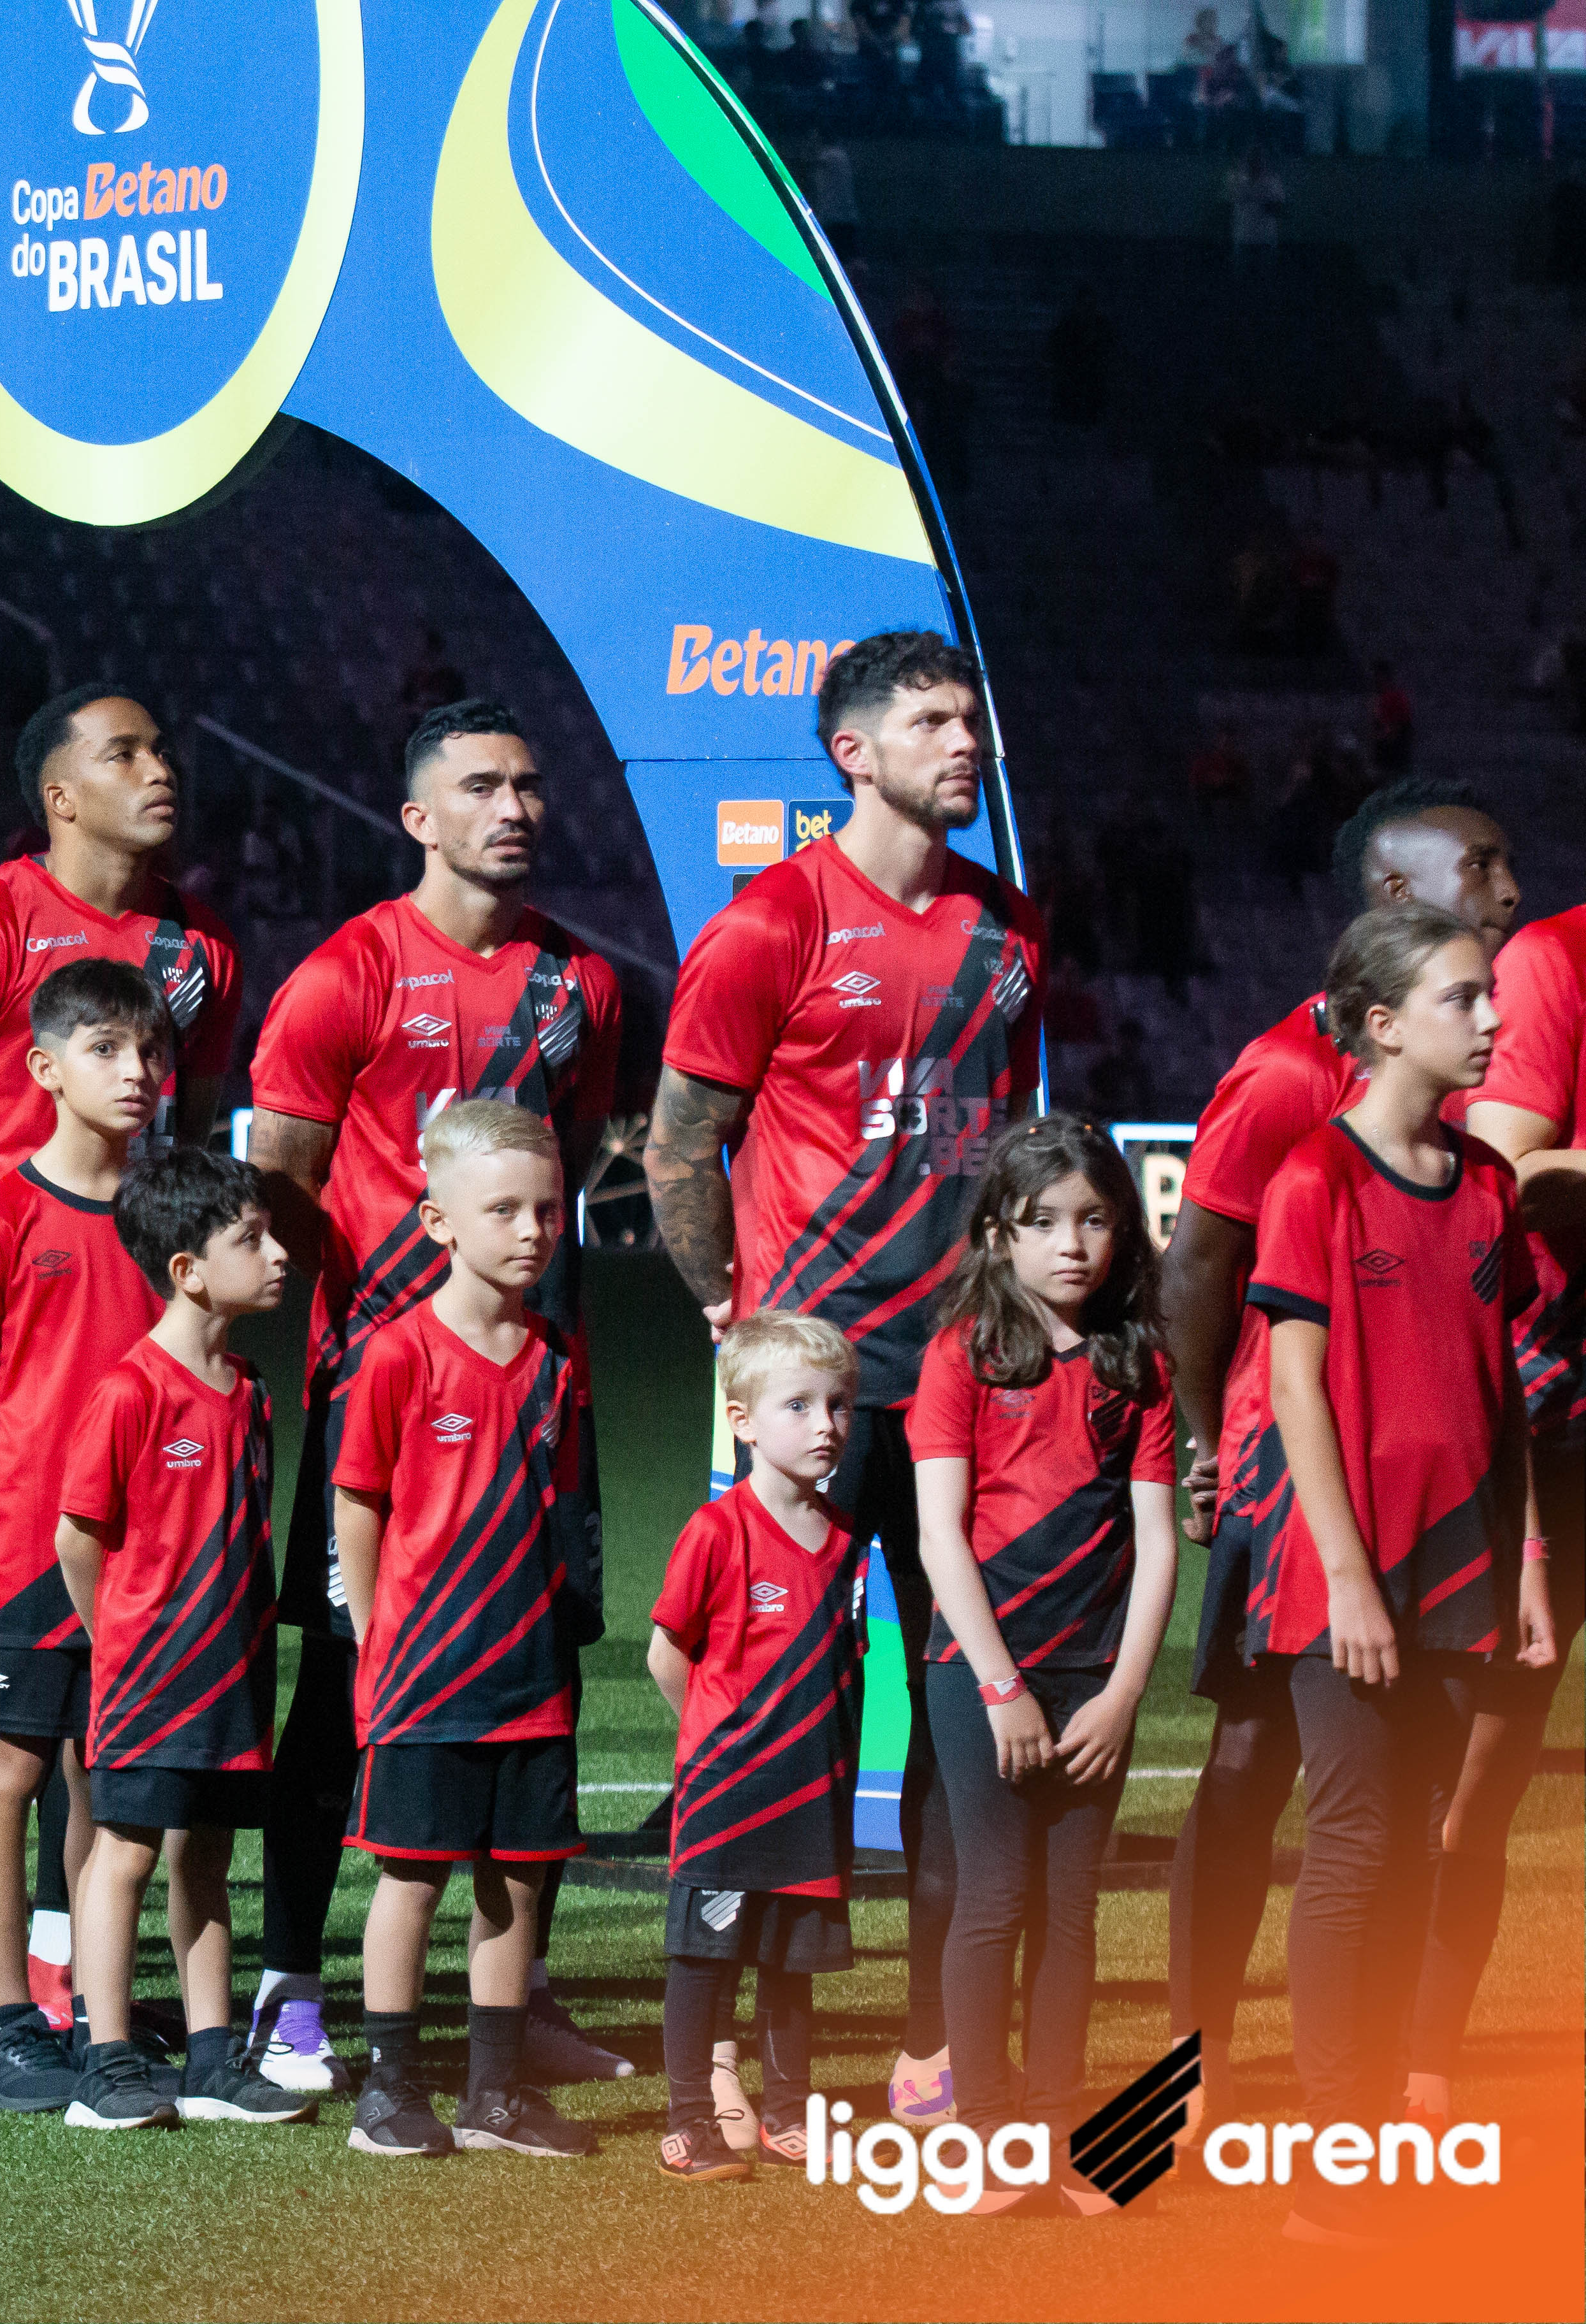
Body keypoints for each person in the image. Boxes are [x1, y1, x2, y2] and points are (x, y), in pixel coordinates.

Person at [647, 629, 1044, 2123]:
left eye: (969, 715)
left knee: (960, 1728)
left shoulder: (1009, 932)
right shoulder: (770, 925)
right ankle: (751, 2054)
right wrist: (725, 1313)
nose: (964, 740)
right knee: (782, 1729)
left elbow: (1010, 1148)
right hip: (817, 1391)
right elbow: (680, 1145)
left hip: (964, 1387)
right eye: (931, 719)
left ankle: (934, 2045)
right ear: (851, 753)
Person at [243, 697, 624, 2093]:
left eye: (526, 784)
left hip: (537, 1399)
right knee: (347, 1687)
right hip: (388, 1396)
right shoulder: (344, 973)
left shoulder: (583, 983)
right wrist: (384, 1332)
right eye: (478, 786)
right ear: (418, 818)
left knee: (541, 1685)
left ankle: (518, 2004)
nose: (512, 807)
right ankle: (291, 1987)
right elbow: (283, 1180)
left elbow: (566, 1156)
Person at [1160, 777, 1518, 2125]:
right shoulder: (1284, 1083)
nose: (1506, 890)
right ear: (1394, 898)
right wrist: (1204, 1443)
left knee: (1384, 1800)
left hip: (1417, 1490)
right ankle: (1190, 2062)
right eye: (1477, 868)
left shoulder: (1452, 1118)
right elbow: (1199, 1266)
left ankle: (1373, 2079)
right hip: (1289, 1481)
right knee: (1250, 1768)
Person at [1222, 907, 1535, 2243]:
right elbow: (1294, 1386)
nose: (1493, 1018)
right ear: (1382, 1023)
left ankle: (1365, 2141)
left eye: (1490, 995)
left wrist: (1526, 1559)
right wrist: (1347, 1574)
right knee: (1354, 1846)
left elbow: (1500, 1393)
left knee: (1416, 1842)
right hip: (1342, 1569)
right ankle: (1328, 2166)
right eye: (1463, 997)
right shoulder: (1314, 1178)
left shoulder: (1489, 1182)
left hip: (1463, 1562)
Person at [908, 1120, 1178, 2205]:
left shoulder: (1137, 1362)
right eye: (1045, 1222)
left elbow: (1156, 1540)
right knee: (993, 1897)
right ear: (997, 1235)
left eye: (1094, 1219)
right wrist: (1001, 1687)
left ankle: (1063, 2128)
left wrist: (1123, 1692)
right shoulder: (960, 1354)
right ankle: (983, 2130)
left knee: (1072, 1907)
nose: (1072, 1243)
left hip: (1093, 1681)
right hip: (982, 1676)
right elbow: (939, 1537)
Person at [0, 959, 169, 2114]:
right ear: (44, 1068)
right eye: (107, 1049)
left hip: (141, 1557)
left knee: (102, 1776)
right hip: (26, 1549)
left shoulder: (167, 1217)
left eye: (150, 1051)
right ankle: (4, 2021)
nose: (136, 1072)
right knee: (9, 1770)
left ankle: (87, 2004)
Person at [331, 1100, 595, 2162]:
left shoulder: (556, 1357)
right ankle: (390, 2091)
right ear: (438, 1221)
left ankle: (495, 2096)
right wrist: (374, 1642)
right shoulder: (397, 1354)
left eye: (547, 1209)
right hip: (425, 1675)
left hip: (530, 1674)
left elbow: (556, 1508)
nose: (532, 1229)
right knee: (412, 1877)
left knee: (517, 1879)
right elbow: (358, 1506)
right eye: (504, 1210)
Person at [53, 1146, 308, 2132]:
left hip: (233, 1682)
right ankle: (106, 2062)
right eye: (252, 1239)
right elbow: (78, 1538)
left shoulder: (250, 1389)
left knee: (206, 1859)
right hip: (149, 1681)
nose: (278, 1255)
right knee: (123, 1853)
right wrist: (118, 1641)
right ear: (187, 1271)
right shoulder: (132, 1393)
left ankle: (211, 2061)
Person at [1427, 897, 1586, 2109]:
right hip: (1555, 1416)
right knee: (1483, 1756)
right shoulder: (1554, 958)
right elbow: (1507, 1173)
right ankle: (1418, 2050)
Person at [647, 1311, 866, 2184]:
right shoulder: (717, 1531)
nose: (826, 1425)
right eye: (799, 1406)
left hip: (812, 1800)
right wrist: (720, 1747)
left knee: (791, 1965)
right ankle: (687, 2124)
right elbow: (667, 1655)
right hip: (728, 1802)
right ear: (740, 1421)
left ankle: (787, 2115)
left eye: (839, 1405)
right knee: (705, 1964)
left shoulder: (847, 1539)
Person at [0, 685, 240, 1171]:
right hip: (1, 1220)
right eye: (123, 755)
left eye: (161, 753)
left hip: (144, 1220)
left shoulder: (207, 943)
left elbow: (188, 1144)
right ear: (62, 798)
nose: (160, 772)